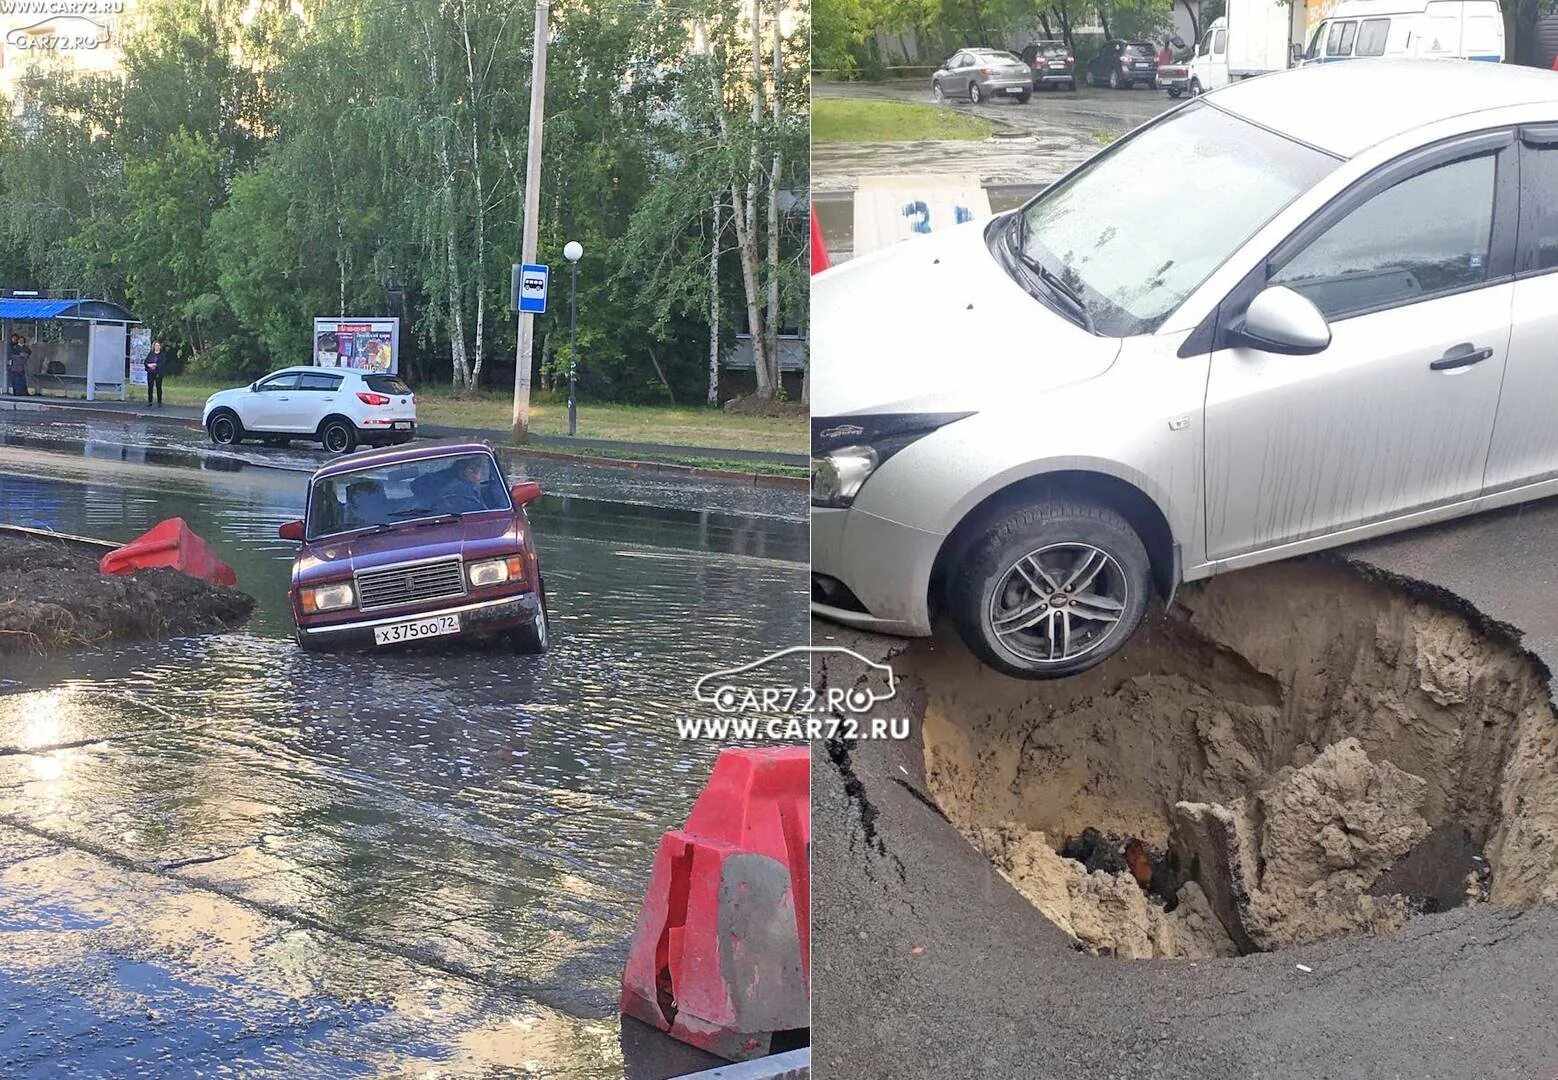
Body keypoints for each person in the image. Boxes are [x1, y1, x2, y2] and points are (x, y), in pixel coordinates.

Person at [7, 333, 30, 397]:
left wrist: (24, 356)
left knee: (22, 380)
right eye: (20, 340)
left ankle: (23, 392)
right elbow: (12, 355)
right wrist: (20, 356)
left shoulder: (26, 348)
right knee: (16, 380)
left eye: (22, 340)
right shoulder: (15, 347)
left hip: (22, 366)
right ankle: (17, 392)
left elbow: (28, 354)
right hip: (15, 366)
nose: (21, 341)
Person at [145, 339, 167, 406]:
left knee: (158, 387)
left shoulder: (162, 355)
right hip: (150, 372)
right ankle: (150, 401)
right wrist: (149, 365)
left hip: (158, 373)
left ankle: (159, 402)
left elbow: (163, 363)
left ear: (160, 347)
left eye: (158, 345)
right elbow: (146, 362)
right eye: (156, 345)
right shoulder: (150, 354)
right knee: (150, 387)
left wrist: (155, 365)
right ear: (153, 346)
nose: (157, 347)